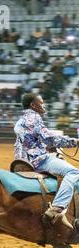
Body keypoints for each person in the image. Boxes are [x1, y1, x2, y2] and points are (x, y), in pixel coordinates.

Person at [14, 93, 79, 229]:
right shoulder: (35, 117)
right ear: (33, 105)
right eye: (41, 103)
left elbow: (25, 143)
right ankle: (57, 208)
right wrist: (75, 142)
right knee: (74, 172)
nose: (43, 105)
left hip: (22, 161)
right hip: (39, 161)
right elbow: (50, 138)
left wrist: (45, 146)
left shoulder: (21, 120)